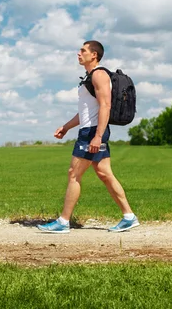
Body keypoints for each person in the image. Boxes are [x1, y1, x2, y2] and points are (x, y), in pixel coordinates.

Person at [37, 40, 139, 233]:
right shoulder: (90, 76)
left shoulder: (99, 75)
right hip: (91, 129)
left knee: (73, 174)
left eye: (83, 50)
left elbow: (105, 106)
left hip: (92, 132)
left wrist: (98, 135)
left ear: (94, 55)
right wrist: (66, 127)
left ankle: (63, 222)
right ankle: (129, 216)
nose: (78, 53)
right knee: (104, 174)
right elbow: (85, 112)